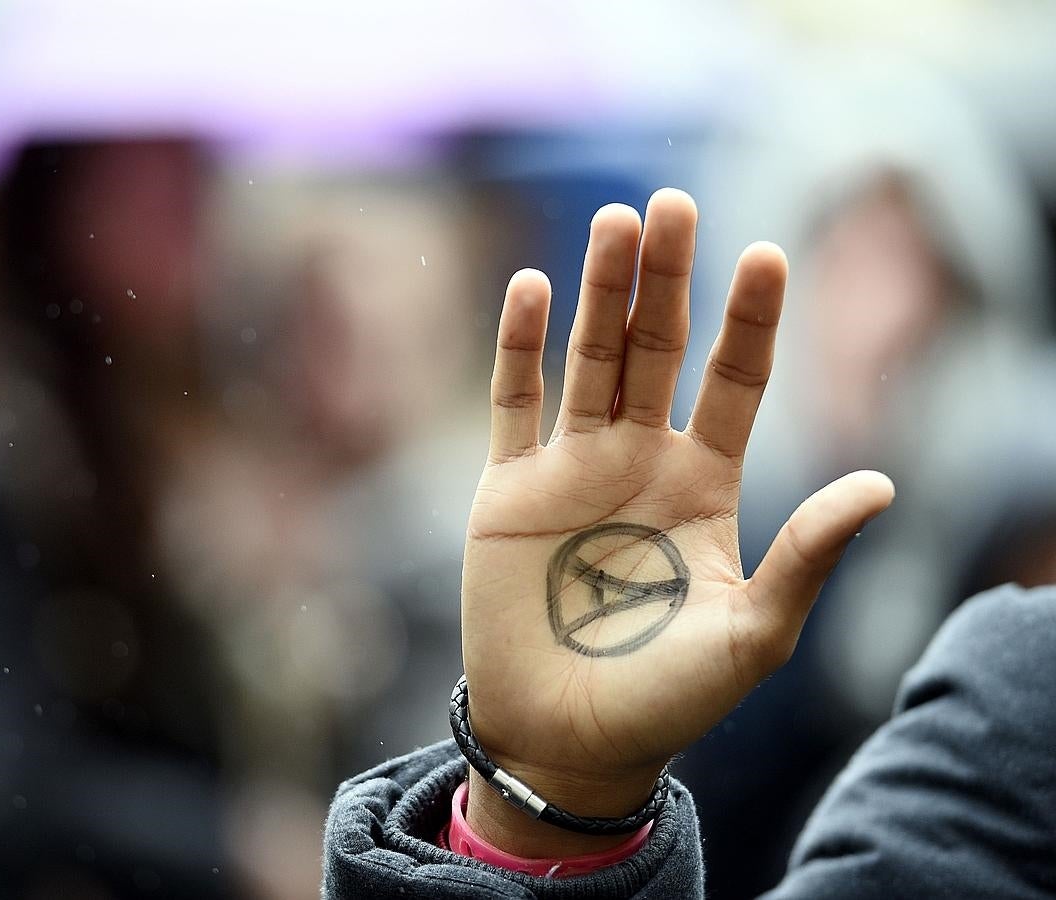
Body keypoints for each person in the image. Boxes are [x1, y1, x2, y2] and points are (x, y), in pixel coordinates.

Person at [322, 189, 1056, 898]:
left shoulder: (1006, 523)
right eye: (853, 263)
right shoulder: (1018, 702)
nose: (882, 314)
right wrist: (545, 807)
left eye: (915, 269)